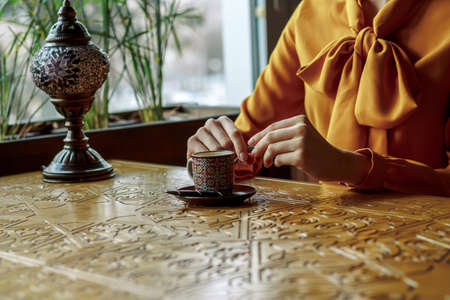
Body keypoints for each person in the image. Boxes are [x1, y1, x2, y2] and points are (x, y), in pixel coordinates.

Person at [187, 0, 450, 197]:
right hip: (323, 243)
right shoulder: (310, 13)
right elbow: (244, 146)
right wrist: (210, 153)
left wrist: (351, 168)